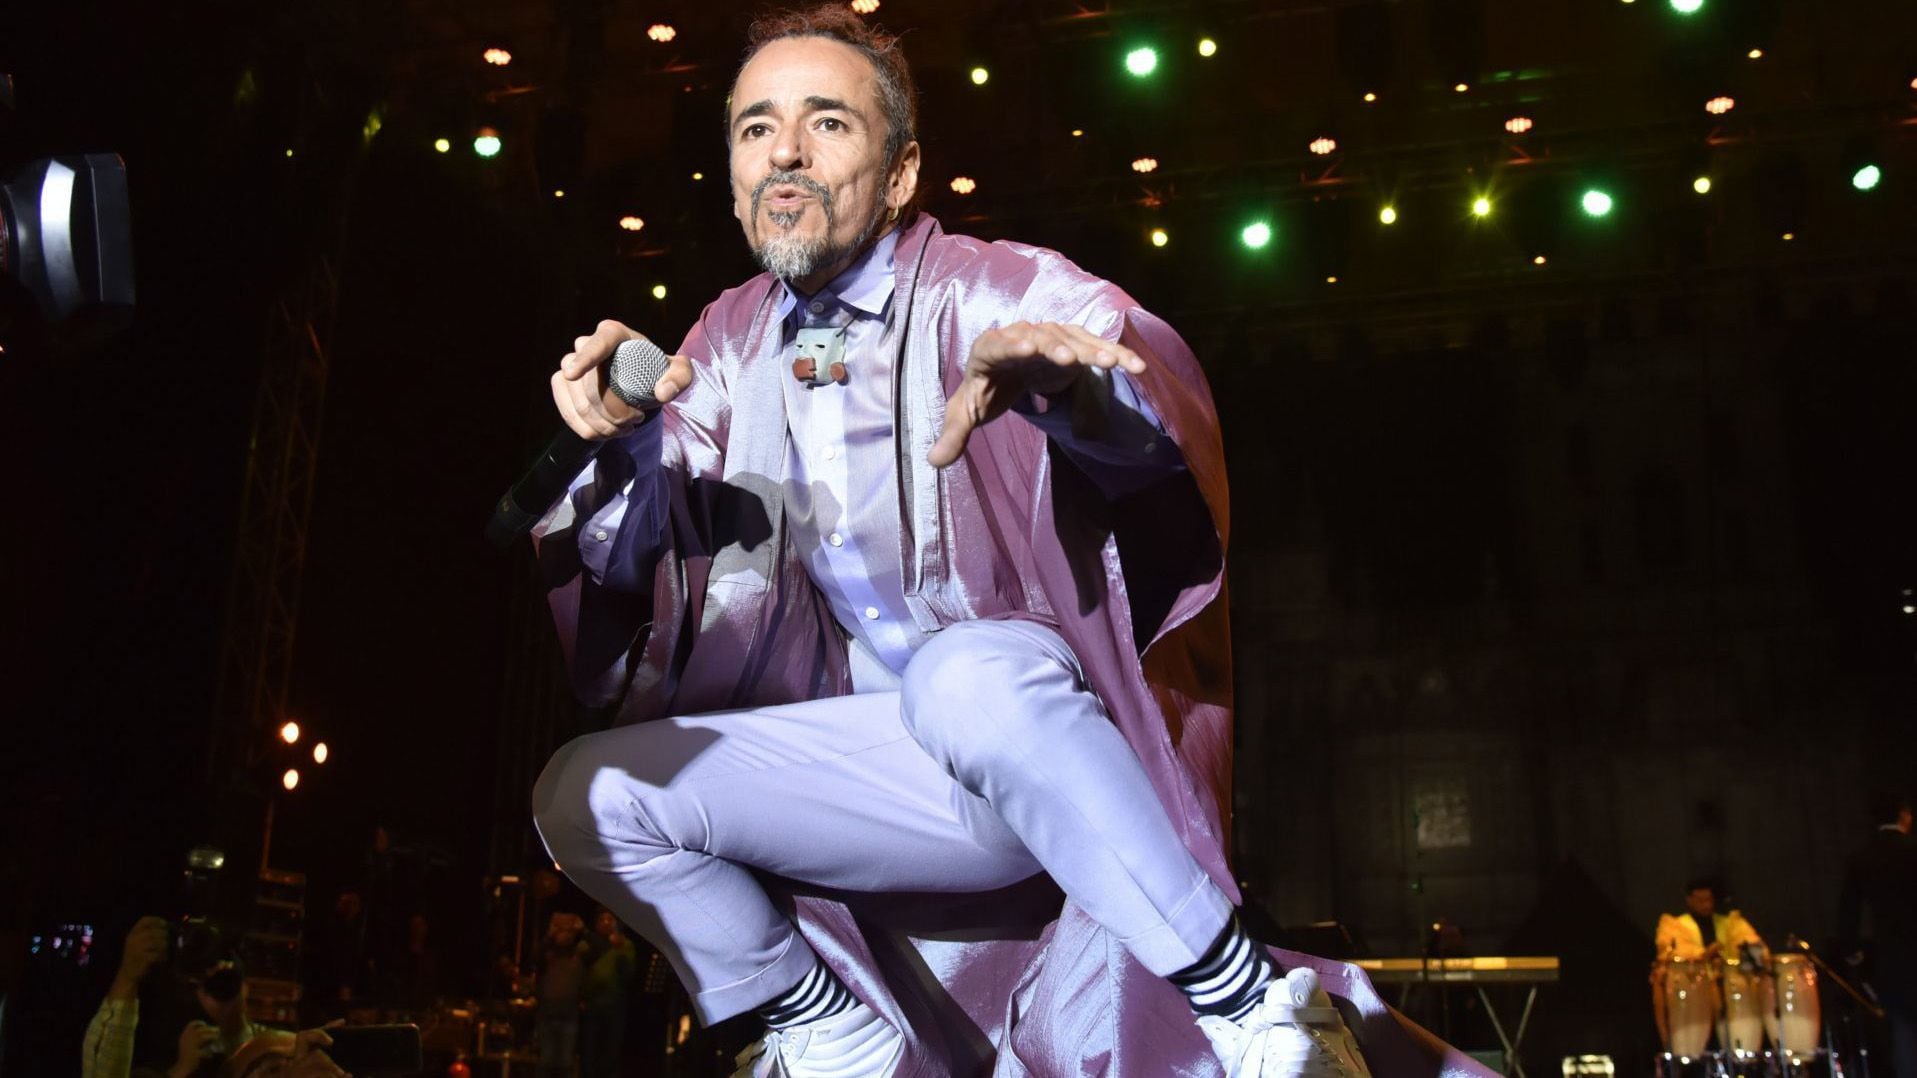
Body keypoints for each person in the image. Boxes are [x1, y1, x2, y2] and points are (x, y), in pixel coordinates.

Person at [527, 7, 1449, 1077]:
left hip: (1034, 742)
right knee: (581, 796)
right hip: (884, 772)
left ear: (903, 172)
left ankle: (1245, 1000)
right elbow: (635, 549)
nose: (784, 151)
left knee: (961, 679)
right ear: (733, 176)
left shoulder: (989, 288)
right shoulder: (727, 339)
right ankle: (819, 1024)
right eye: (756, 128)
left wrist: (1069, 394)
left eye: (828, 123)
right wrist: (622, 438)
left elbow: (1140, 395)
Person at [81, 917, 343, 1078]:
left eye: (278, 1068)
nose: (282, 1069)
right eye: (271, 1071)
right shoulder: (167, 1047)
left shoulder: (272, 1042)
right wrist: (128, 978)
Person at [1838, 792, 1917, 1078]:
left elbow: (1848, 912)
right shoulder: (1912, 850)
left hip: (1892, 961)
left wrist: (1852, 950)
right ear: (1904, 815)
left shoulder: (1861, 859)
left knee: (1903, 1033)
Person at [1649, 881, 1766, 1052]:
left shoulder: (1730, 923)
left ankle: (1742, 1051)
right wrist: (1704, 954)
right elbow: (1672, 952)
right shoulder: (1675, 925)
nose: (1706, 905)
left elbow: (1754, 946)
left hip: (1731, 989)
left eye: (1709, 900)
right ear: (1689, 900)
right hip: (1694, 989)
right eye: (1700, 900)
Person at [580, 908, 638, 1078]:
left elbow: (628, 976)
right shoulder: (587, 943)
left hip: (615, 1005)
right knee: (589, 1050)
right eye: (602, 919)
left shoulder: (626, 945)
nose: (606, 923)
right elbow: (581, 967)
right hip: (592, 1004)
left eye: (610, 919)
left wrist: (619, 950)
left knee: (611, 1051)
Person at [533, 912, 588, 1078]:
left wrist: (583, 930)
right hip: (547, 1014)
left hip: (569, 1014)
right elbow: (534, 957)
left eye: (568, 930)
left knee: (565, 1063)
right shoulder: (547, 953)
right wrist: (549, 935)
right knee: (546, 1061)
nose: (564, 934)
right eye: (561, 930)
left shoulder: (580, 953)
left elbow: (600, 948)